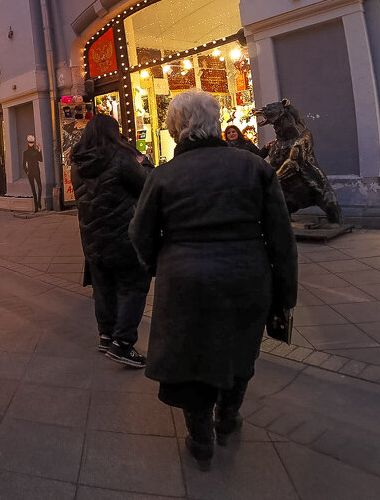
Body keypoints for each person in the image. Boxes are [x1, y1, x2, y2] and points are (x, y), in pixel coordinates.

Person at [130, 90, 297, 471]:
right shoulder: (254, 167)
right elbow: (281, 238)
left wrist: (162, 264)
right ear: (216, 123)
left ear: (175, 129)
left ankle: (201, 435)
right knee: (240, 348)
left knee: (190, 355)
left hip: (185, 279)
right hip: (246, 274)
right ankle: (228, 416)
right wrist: (285, 295)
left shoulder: (163, 175)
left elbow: (140, 234)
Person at [71, 114, 151, 369]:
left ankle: (106, 335)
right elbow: (146, 186)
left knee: (103, 287)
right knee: (133, 285)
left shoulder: (78, 162)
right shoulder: (121, 156)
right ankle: (123, 343)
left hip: (91, 236)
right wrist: (145, 164)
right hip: (122, 233)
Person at [23, 134, 44, 212]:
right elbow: (23, 163)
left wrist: (39, 151)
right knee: (33, 189)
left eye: (32, 142)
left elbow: (41, 160)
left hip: (36, 170)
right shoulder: (25, 152)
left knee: (40, 187)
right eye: (30, 142)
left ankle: (39, 202)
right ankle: (36, 206)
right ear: (28, 143)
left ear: (33, 143)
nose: (31, 144)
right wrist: (27, 171)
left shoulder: (36, 151)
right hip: (30, 171)